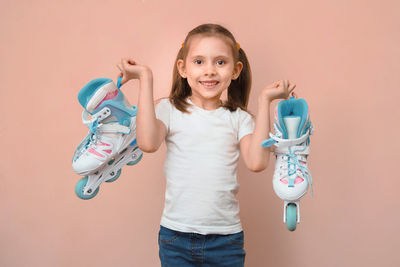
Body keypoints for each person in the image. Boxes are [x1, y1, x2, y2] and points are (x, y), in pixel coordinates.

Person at [116, 23, 296, 267]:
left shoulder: (239, 119)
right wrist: (145, 78)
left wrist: (265, 101)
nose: (209, 71)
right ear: (183, 68)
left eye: (220, 62)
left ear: (235, 70)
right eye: (199, 62)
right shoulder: (170, 110)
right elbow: (148, 143)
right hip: (175, 237)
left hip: (226, 241)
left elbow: (256, 162)